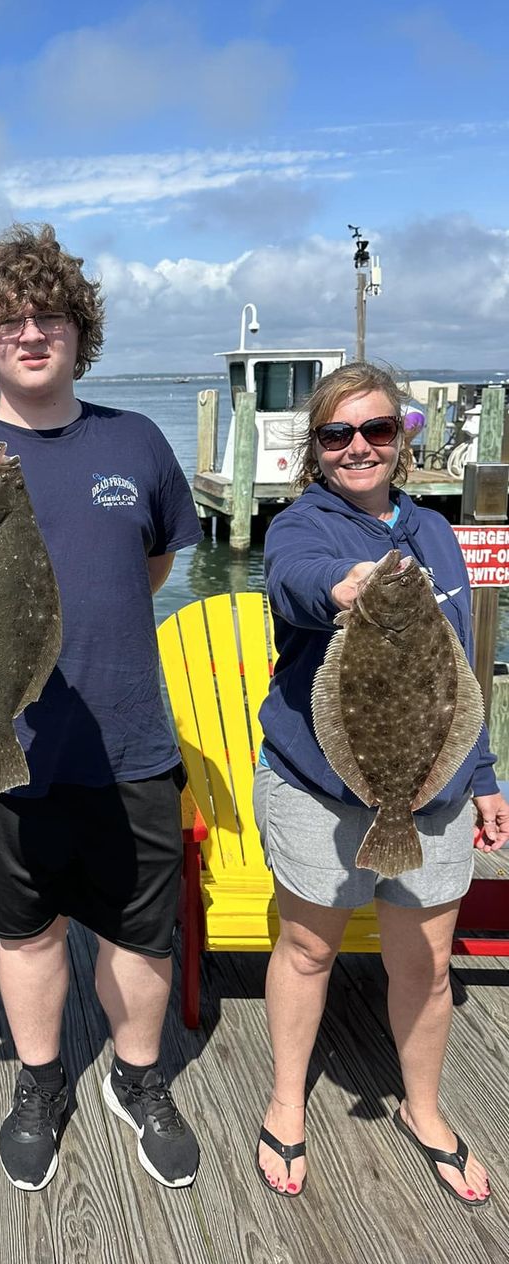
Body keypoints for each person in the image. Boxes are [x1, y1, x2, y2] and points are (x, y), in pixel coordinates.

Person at [0, 224, 204, 1193]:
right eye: (8, 322)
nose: (31, 334)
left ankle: (138, 1077)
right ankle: (41, 1082)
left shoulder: (138, 442)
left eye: (50, 317)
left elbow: (150, 565)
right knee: (24, 932)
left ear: (81, 331)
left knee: (140, 932)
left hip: (132, 742)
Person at [253, 361, 508, 1204]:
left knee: (428, 965)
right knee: (310, 946)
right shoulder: (302, 527)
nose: (358, 447)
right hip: (320, 786)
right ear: (316, 448)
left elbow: (459, 672)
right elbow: (290, 579)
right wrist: (343, 585)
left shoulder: (433, 532)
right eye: (337, 434)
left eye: (377, 430)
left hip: (428, 789)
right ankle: (287, 1103)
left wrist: (483, 776)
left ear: (403, 440)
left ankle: (423, 1110)